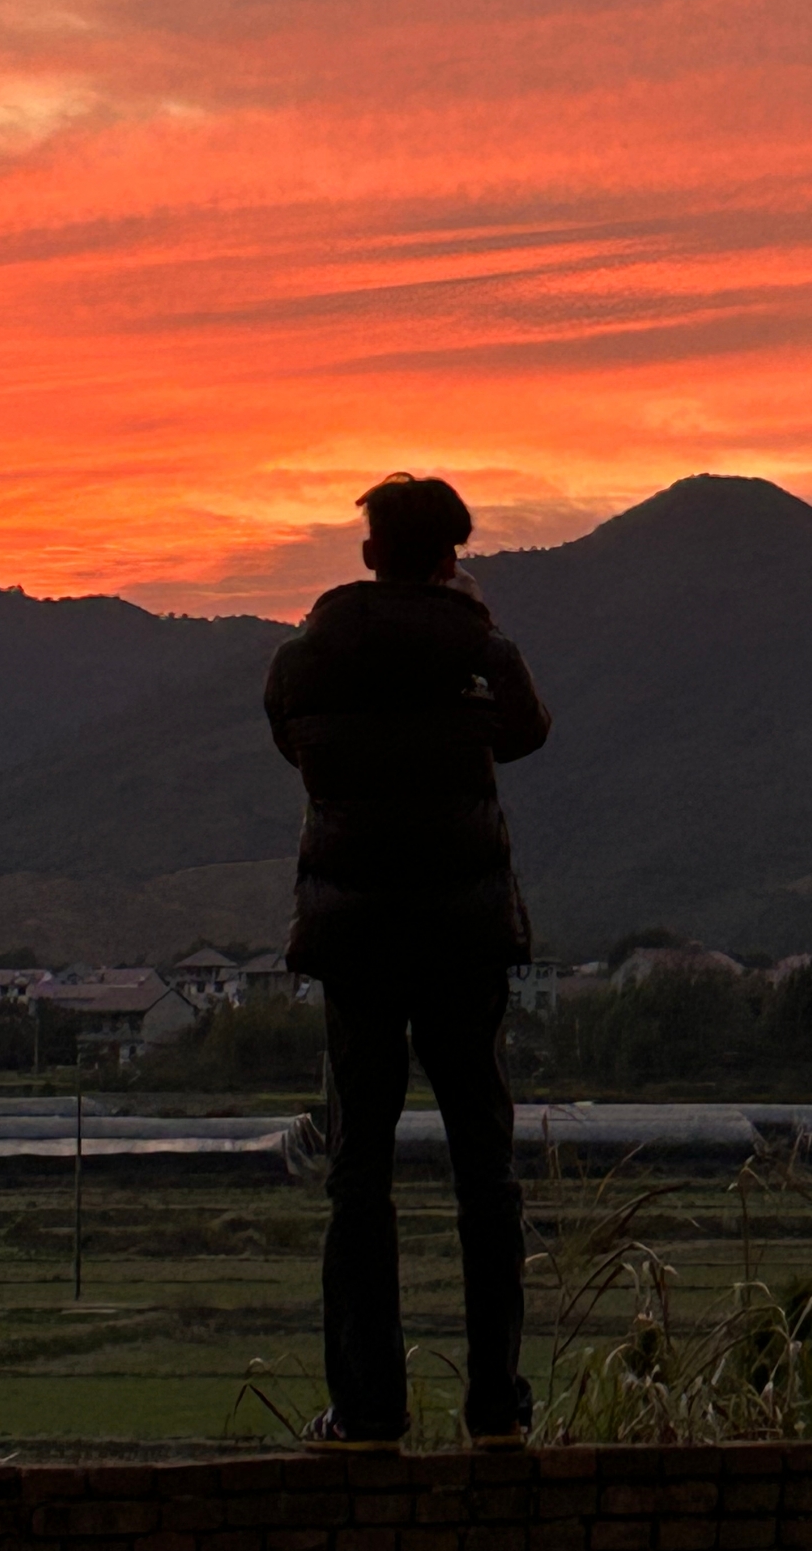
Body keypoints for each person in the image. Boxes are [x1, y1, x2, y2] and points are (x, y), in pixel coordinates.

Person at [264, 472, 552, 1450]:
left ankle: (369, 1411)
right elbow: (528, 732)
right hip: (464, 938)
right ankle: (495, 1409)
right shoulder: (480, 646)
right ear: (448, 555)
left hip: (356, 943)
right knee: (485, 1170)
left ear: (366, 551)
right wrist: (469, 622)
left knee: (359, 1171)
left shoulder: (304, 655)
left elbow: (288, 740)